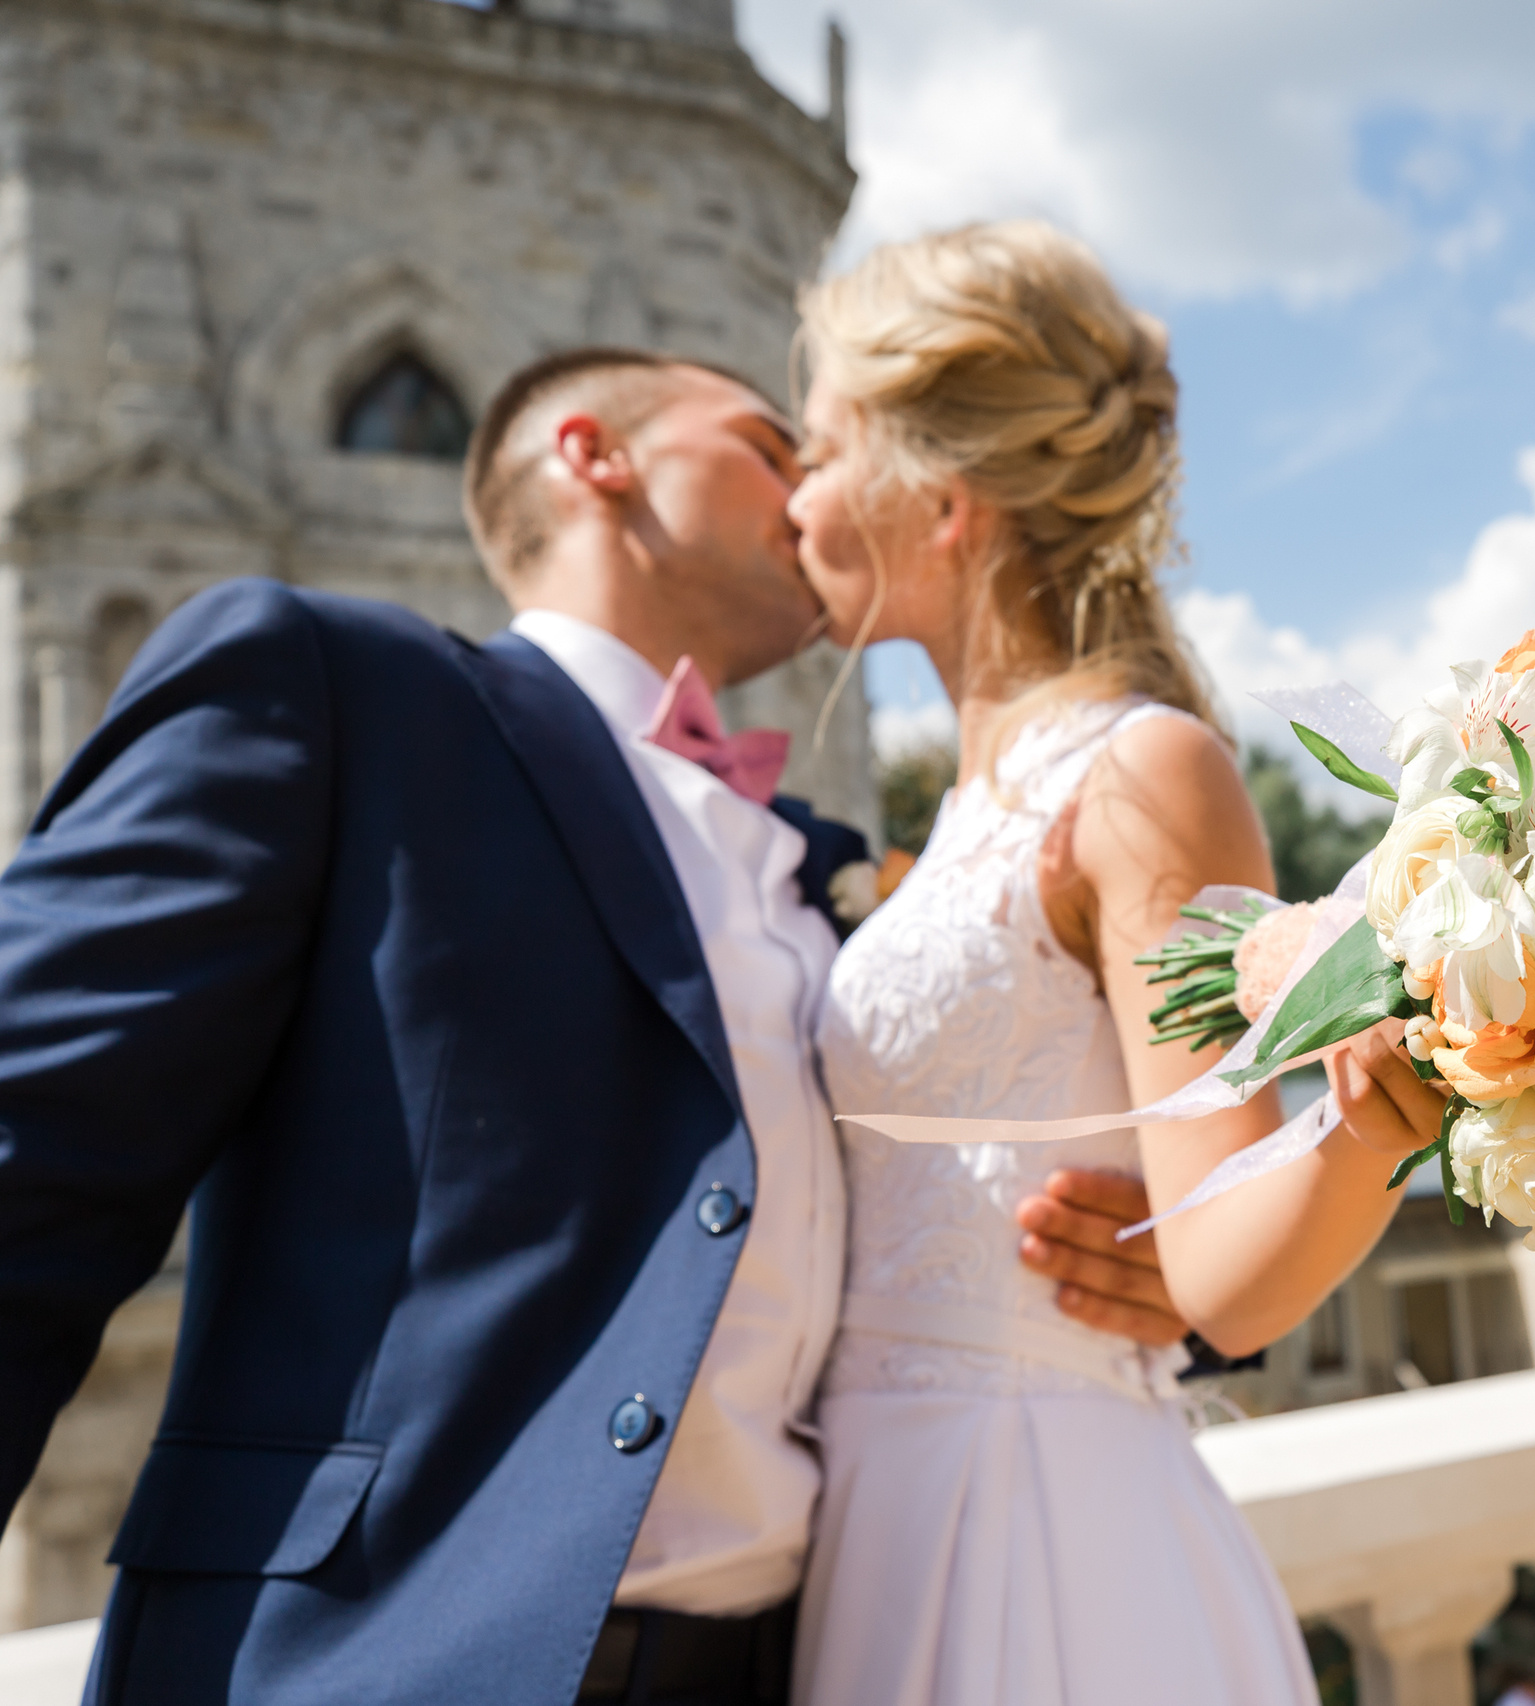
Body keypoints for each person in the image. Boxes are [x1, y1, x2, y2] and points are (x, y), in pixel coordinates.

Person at [0, 346, 1393, 1705]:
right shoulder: (337, 690)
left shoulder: (848, 876)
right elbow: (33, 1145)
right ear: (597, 457)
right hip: (382, 1650)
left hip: (813, 1646)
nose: (813, 493)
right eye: (772, 447)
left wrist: (1156, 1272)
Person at [783, 220, 1446, 1706]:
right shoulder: (974, 806)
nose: (795, 497)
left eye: (819, 452)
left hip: (1032, 1522)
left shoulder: (1140, 773)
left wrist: (1388, 1101)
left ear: (940, 499)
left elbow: (1222, 1272)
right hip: (880, 1507)